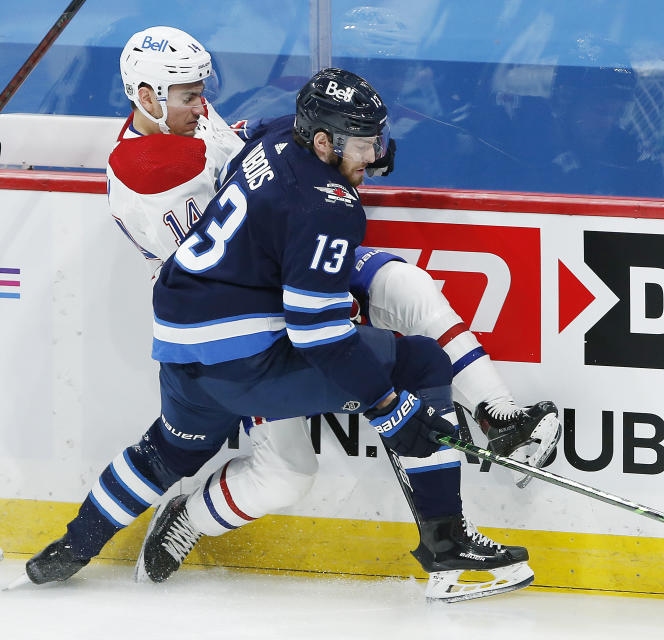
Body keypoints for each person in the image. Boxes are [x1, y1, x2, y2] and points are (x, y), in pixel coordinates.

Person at [20, 27, 555, 603]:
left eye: (203, 91)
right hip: (253, 320)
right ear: (146, 97)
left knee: (406, 286)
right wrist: (386, 403)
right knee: (291, 471)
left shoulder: (199, 124)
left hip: (201, 327)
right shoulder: (151, 170)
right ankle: (196, 521)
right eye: (187, 96)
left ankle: (499, 416)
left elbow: (256, 148)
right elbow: (307, 314)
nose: (203, 106)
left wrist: (336, 140)